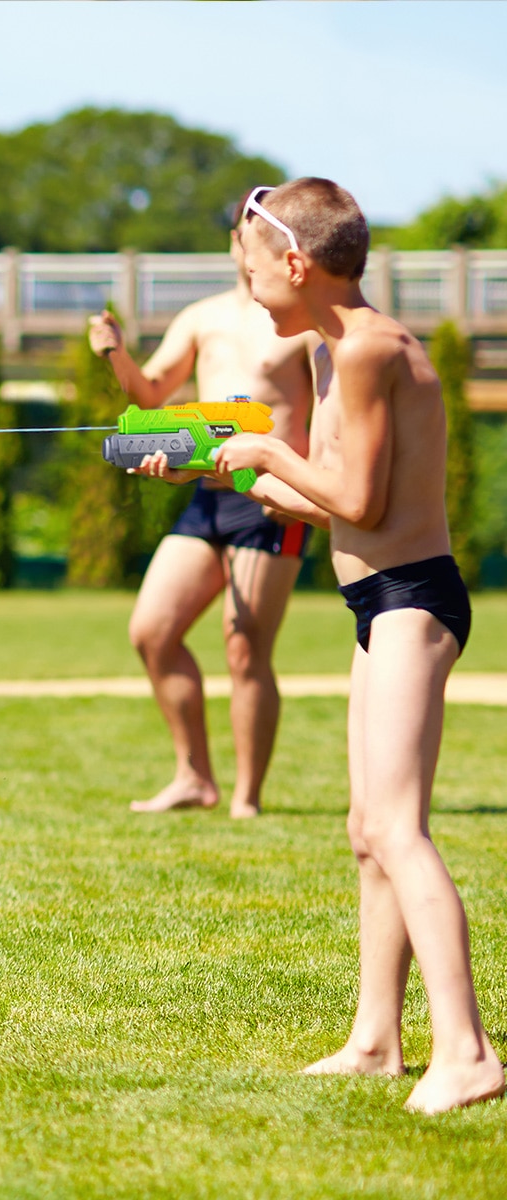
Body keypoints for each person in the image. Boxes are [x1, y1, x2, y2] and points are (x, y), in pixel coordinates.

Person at [213, 177, 504, 1113]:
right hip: (380, 600)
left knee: (395, 827)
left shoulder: (372, 350)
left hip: (414, 603)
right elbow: (334, 501)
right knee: (364, 833)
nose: (248, 287)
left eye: (251, 270)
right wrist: (235, 474)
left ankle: (466, 1053)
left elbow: (363, 503)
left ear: (296, 263)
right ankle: (377, 1040)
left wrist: (268, 454)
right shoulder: (340, 351)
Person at [87, 200, 317, 818]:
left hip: (270, 504)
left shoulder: (303, 326)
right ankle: (195, 777)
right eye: (247, 233)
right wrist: (114, 352)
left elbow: (329, 420)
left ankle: (247, 796)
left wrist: (301, 493)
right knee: (152, 632)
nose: (251, 244)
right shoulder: (204, 317)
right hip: (206, 496)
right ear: (236, 241)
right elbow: (153, 394)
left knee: (244, 650)